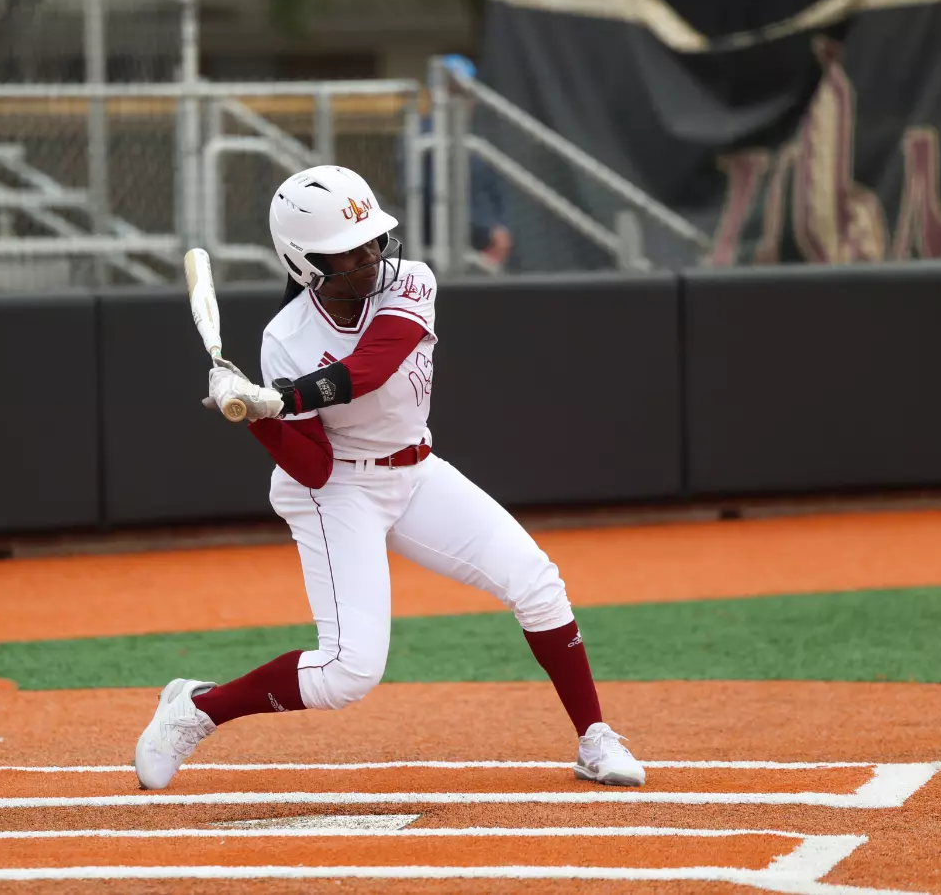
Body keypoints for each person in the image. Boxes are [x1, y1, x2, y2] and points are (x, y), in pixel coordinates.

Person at [132, 164, 645, 791]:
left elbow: (372, 366)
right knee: (349, 673)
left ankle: (594, 738)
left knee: (536, 582)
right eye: (348, 251)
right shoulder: (286, 338)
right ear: (304, 263)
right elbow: (313, 466)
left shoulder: (412, 283)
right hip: (336, 491)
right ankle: (195, 710)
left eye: (373, 239)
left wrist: (275, 399)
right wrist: (252, 416)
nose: (370, 256)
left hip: (416, 468)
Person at [403, 55, 514, 271]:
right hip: (437, 253)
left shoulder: (474, 137)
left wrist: (501, 230)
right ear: (434, 94)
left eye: (465, 93)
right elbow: (430, 194)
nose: (460, 101)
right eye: (453, 92)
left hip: (482, 252)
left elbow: (495, 189)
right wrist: (488, 230)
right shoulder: (421, 136)